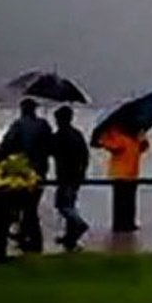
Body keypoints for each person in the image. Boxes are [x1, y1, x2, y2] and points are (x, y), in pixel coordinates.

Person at [0, 98, 53, 252]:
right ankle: (28, 237)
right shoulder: (44, 125)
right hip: (41, 170)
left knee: (24, 206)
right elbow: (50, 147)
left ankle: (30, 239)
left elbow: (6, 145)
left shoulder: (18, 125)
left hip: (23, 170)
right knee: (31, 206)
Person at [51, 106, 90, 251]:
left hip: (64, 176)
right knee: (71, 203)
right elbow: (85, 155)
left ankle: (79, 224)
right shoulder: (77, 134)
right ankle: (70, 237)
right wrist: (83, 171)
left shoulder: (60, 136)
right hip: (76, 176)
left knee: (63, 206)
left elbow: (50, 150)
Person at [99, 127, 149, 233]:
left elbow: (143, 148)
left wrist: (143, 138)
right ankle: (120, 225)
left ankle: (129, 223)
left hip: (131, 173)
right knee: (121, 201)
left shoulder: (134, 138)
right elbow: (114, 146)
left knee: (129, 201)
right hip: (120, 174)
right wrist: (105, 137)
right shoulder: (117, 134)